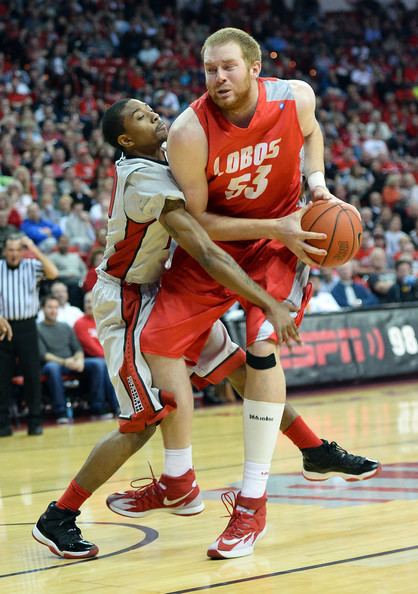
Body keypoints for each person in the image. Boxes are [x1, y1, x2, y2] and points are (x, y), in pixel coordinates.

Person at [32, 98, 378, 561]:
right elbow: (210, 252)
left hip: (159, 288)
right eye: (140, 116)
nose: (153, 114)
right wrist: (267, 301)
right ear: (125, 141)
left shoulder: (168, 160)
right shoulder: (144, 178)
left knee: (240, 367)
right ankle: (60, 515)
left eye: (149, 109)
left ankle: (314, 450)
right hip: (127, 302)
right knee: (141, 424)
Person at [112, 29, 380, 560]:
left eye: (229, 67)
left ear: (255, 67)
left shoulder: (294, 96)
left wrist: (319, 185)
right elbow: (201, 221)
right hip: (219, 244)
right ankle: (179, 478)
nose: (218, 78)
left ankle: (252, 504)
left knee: (261, 343)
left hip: (281, 244)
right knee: (159, 344)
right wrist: (274, 224)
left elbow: (313, 132)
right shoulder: (190, 130)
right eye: (210, 69)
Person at [0, 234, 58, 436]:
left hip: (27, 326)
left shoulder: (31, 266)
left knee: (32, 375)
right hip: (2, 328)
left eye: (18, 250)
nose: (14, 253)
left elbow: (53, 273)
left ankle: (35, 421)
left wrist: (33, 248)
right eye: (10, 250)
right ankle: (3, 424)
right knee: (2, 377)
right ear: (4, 251)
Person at [37, 295, 115, 423]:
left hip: (71, 362)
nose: (53, 310)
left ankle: (98, 406)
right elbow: (43, 355)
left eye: (56, 307)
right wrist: (65, 362)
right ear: (42, 309)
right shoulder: (38, 328)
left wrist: (78, 360)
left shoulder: (65, 326)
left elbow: (78, 349)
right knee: (52, 368)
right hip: (52, 364)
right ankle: (61, 411)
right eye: (50, 307)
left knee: (98, 364)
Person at [73, 291, 119, 416]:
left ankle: (121, 406)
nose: (89, 305)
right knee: (103, 364)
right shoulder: (80, 323)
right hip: (89, 359)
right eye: (87, 302)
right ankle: (99, 406)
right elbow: (89, 347)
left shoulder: (105, 320)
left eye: (92, 301)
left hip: (105, 358)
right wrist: (111, 357)